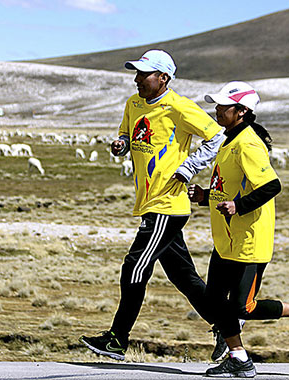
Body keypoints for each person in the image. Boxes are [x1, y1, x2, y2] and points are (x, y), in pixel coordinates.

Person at [79, 49, 226, 361]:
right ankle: (227, 329)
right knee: (184, 277)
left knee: (134, 267)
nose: (136, 80)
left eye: (143, 74)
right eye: (136, 73)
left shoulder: (179, 106)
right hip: (148, 202)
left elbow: (217, 136)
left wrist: (189, 167)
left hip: (168, 204)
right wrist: (121, 144)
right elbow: (127, 134)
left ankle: (117, 340)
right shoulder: (133, 104)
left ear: (164, 78)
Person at [188, 81, 289, 377]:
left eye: (223, 106)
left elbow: (271, 186)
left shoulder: (248, 143)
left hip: (249, 242)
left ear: (241, 111)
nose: (217, 110)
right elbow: (229, 188)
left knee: (244, 308)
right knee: (215, 302)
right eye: (217, 105)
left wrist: (239, 207)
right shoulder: (228, 141)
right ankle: (238, 358)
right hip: (226, 241)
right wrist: (206, 197)